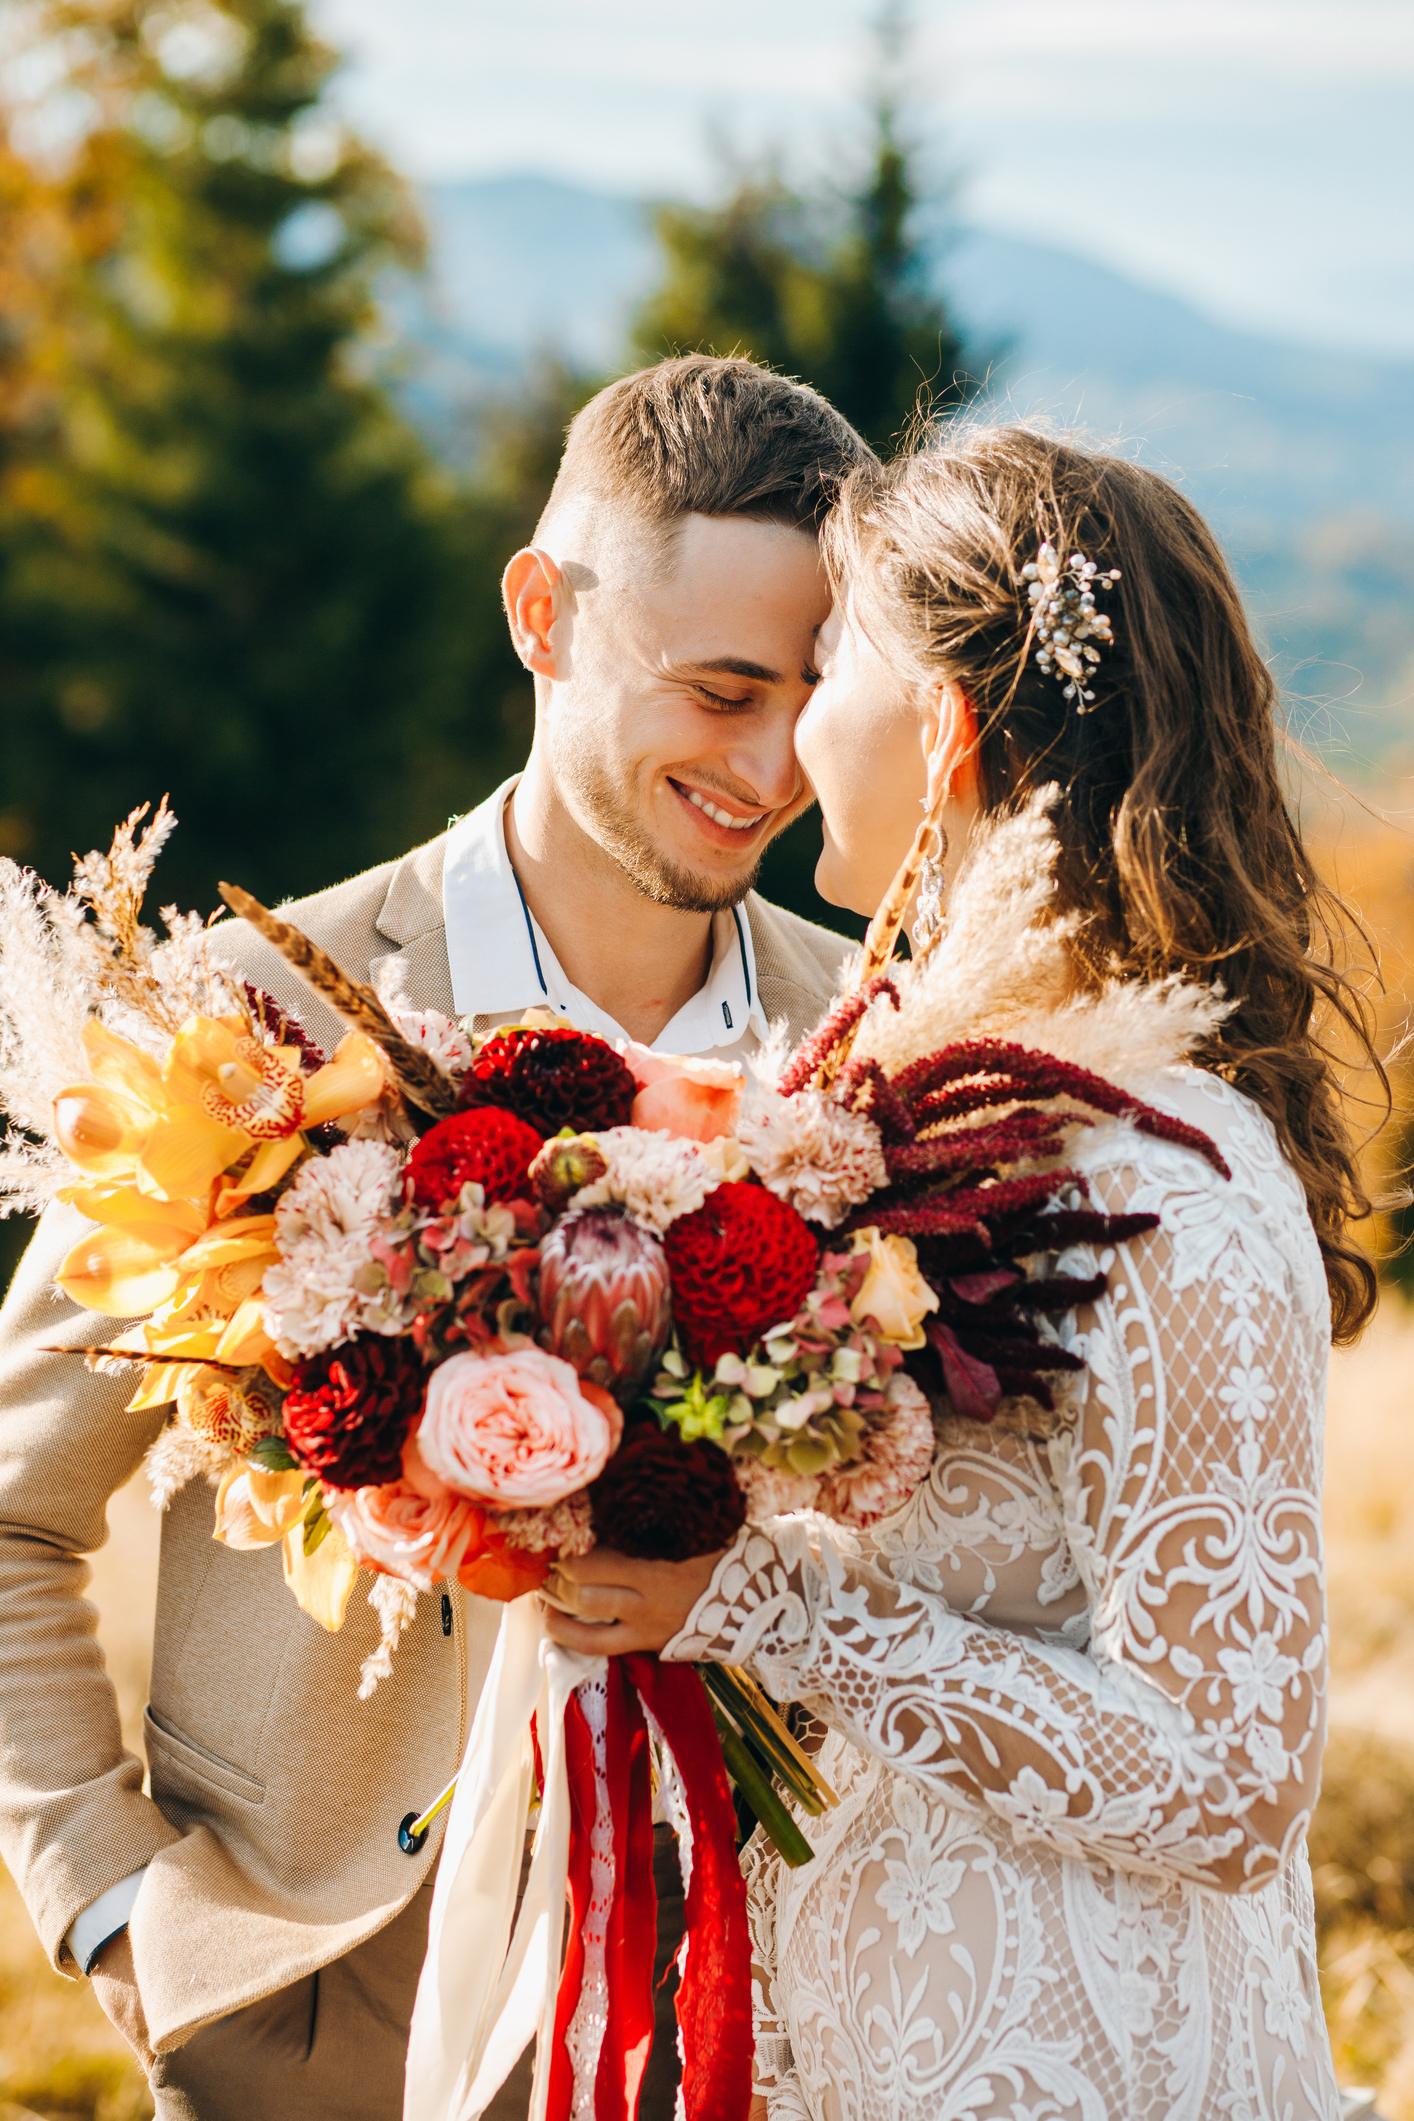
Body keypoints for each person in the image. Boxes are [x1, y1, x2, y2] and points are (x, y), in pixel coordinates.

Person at [0, 354, 872, 2120]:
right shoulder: (251, 1022)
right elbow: (15, 1504)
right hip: (327, 2005)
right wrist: (120, 1908)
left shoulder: (865, 1045)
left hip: (778, 2009)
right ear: (541, 614)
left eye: (808, 695)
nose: (769, 764)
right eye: (715, 690)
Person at [542, 421, 1382, 2119]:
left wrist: (760, 1604)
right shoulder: (904, 1110)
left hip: (1082, 2062)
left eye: (830, 657)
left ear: (945, 731)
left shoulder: (1170, 1182)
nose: (787, 730)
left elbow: (1229, 1782)